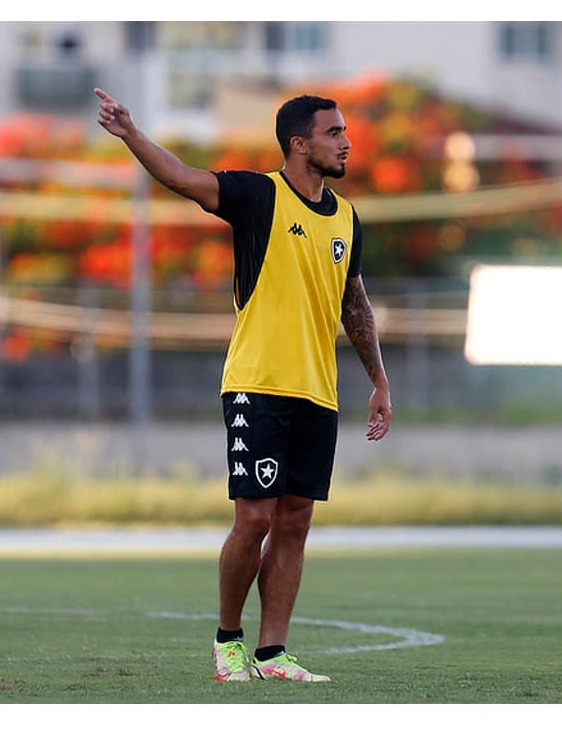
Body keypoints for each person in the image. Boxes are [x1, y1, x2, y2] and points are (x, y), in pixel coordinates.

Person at [94, 87, 392, 683]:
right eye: (334, 133)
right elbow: (182, 178)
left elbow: (353, 303)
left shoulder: (347, 218)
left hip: (317, 393)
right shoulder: (259, 196)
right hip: (256, 384)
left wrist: (379, 379)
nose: (347, 142)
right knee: (253, 519)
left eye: (345, 132)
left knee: (295, 521)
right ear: (299, 144)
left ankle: (273, 653)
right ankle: (227, 642)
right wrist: (132, 135)